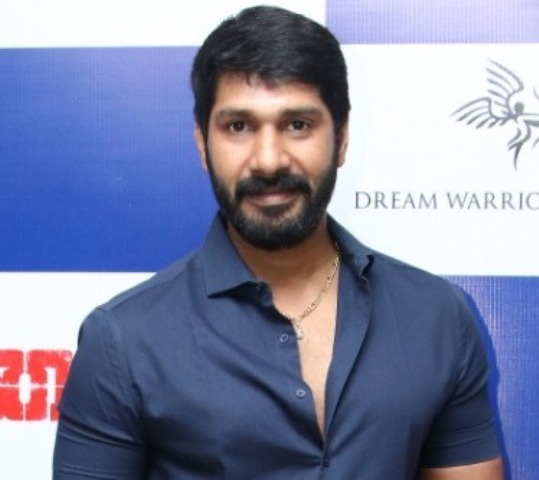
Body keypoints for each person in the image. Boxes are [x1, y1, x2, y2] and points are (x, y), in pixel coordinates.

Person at [53, 5, 504, 479]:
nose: (269, 160)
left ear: (342, 138)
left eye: (297, 124)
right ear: (202, 145)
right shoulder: (122, 340)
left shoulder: (436, 316)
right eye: (239, 126)